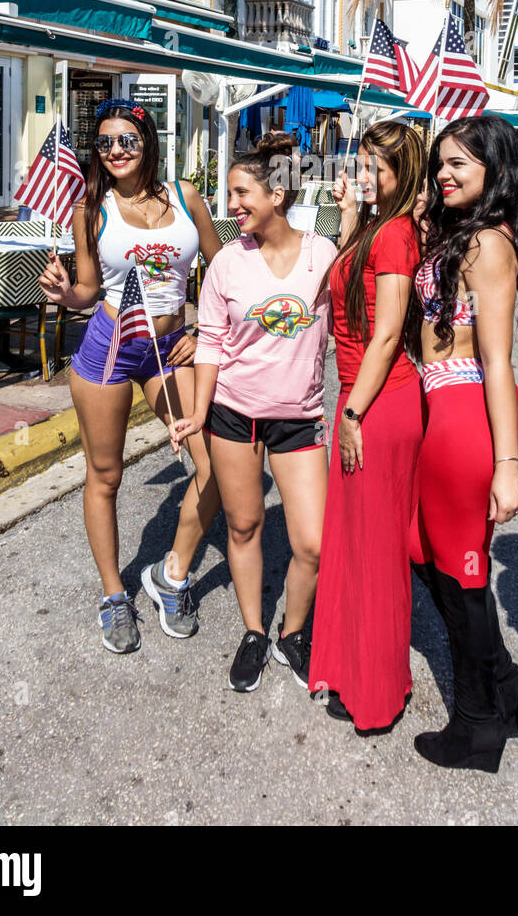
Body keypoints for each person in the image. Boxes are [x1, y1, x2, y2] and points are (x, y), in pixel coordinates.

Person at [38, 99, 222, 654]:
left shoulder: (187, 197)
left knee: (216, 465)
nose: (115, 151)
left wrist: (208, 330)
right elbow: (91, 287)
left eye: (127, 140)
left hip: (174, 347)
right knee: (106, 474)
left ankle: (171, 573)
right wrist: (70, 295)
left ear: (148, 142)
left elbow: (225, 269)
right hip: (111, 348)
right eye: (105, 143)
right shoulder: (91, 209)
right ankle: (115, 594)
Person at [171, 133, 336, 693]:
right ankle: (253, 632)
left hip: (300, 415)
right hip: (234, 414)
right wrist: (197, 413)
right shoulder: (225, 270)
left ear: (279, 195)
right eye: (231, 194)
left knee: (311, 541)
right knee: (243, 524)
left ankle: (293, 633)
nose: (233, 205)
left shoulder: (322, 256)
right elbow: (212, 345)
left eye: (243, 193)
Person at [406, 116, 518, 770]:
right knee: (426, 554)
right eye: (440, 164)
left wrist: (507, 465)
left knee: (460, 572)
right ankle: (510, 687)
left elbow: (497, 356)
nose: (445, 174)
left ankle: (478, 725)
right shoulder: (460, 234)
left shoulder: (488, 243)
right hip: (447, 410)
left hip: (468, 416)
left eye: (460, 164)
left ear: (496, 170)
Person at [309, 120, 426, 731]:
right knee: (354, 546)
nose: (363, 174)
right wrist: (352, 213)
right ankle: (354, 670)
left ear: (401, 172)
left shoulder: (400, 233)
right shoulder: (380, 227)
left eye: (375, 167)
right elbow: (354, 284)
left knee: (377, 552)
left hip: (378, 405)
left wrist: (352, 411)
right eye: (359, 163)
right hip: (363, 398)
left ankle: (378, 692)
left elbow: (386, 333)